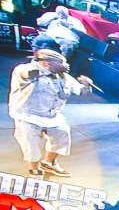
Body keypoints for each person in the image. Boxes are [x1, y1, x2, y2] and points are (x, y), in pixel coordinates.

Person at [9, 48, 93, 178]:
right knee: (31, 144)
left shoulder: (63, 76)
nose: (67, 65)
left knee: (61, 135)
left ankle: (49, 163)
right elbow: (28, 74)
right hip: (27, 115)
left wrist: (86, 85)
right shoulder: (24, 69)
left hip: (52, 115)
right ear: (49, 63)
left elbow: (82, 92)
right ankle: (35, 171)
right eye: (62, 62)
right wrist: (46, 70)